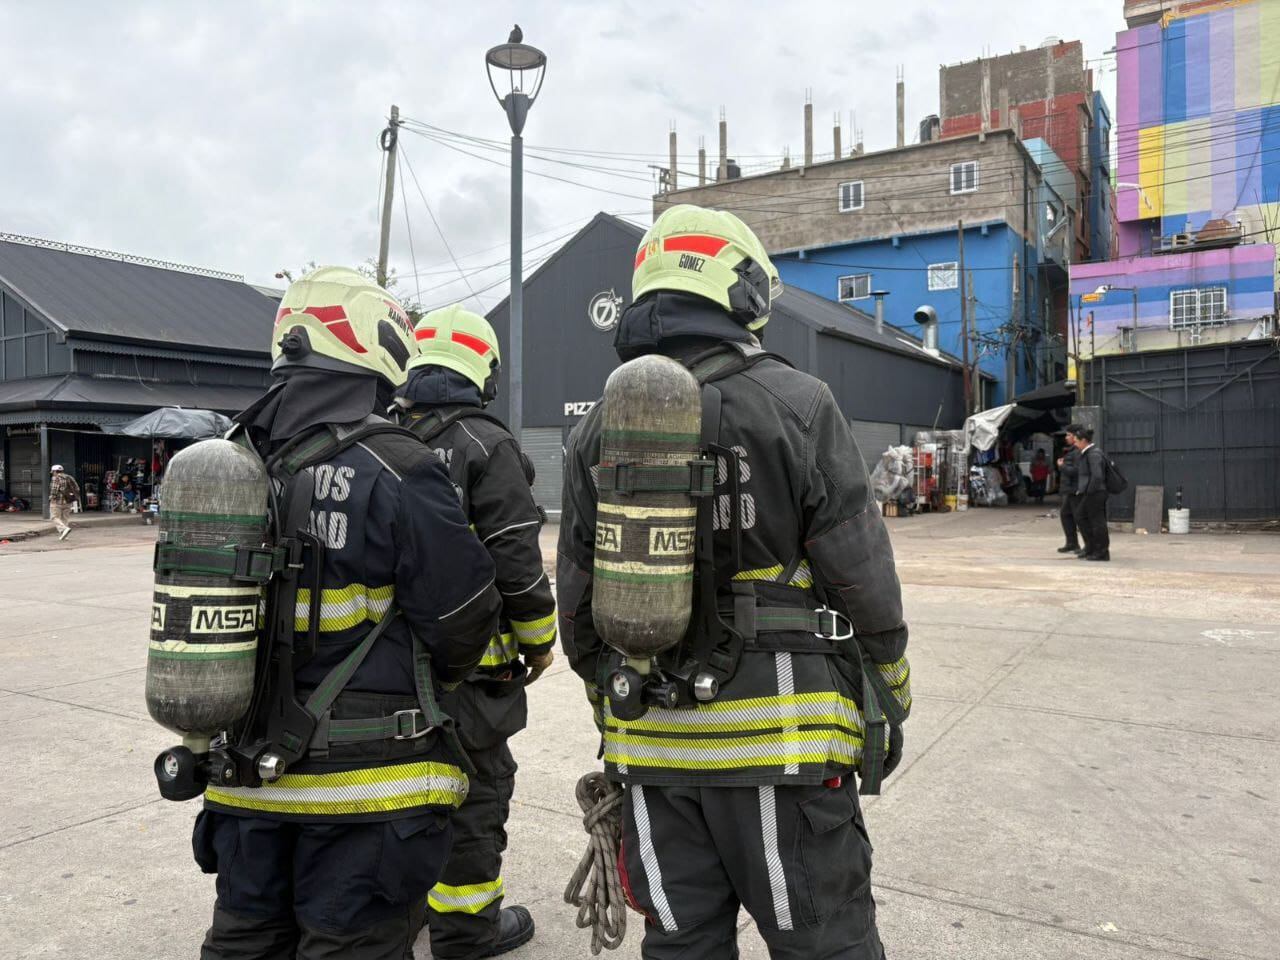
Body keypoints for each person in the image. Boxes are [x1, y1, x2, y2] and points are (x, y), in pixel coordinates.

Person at [558, 205, 910, 959]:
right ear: (743, 293)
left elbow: (580, 612)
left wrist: (615, 706)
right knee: (825, 943)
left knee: (682, 946)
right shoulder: (799, 403)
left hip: (650, 751)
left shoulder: (595, 431)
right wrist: (891, 678)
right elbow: (862, 573)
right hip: (782, 745)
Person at [192, 267, 503, 960]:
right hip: (366, 793)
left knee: (243, 941)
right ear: (376, 341)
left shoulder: (231, 461)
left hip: (246, 781)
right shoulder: (399, 466)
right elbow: (463, 619)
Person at [393, 305, 556, 959]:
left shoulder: (383, 440)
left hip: (386, 676)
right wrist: (540, 641)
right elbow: (516, 561)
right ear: (481, 372)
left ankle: (399, 923)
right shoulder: (487, 446)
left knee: (399, 796)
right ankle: (465, 934)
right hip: (473, 680)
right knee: (474, 797)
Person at [1073, 424, 1111, 562]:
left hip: (1095, 493)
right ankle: (1092, 547)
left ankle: (1102, 552)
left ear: (1083, 441)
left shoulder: (1093, 454)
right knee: (1080, 516)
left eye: (1076, 441)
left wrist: (1088, 491)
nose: (1075, 444)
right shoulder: (1089, 453)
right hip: (1091, 492)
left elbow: (1097, 476)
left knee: (1097, 522)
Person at [1056, 431, 1083, 555]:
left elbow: (1076, 471)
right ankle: (1072, 543)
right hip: (1070, 489)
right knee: (1066, 515)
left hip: (1074, 490)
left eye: (1068, 435)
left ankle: (1085, 545)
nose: (1066, 438)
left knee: (1078, 517)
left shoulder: (1077, 452)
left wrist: (1062, 466)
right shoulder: (1071, 451)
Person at [48, 465, 80, 541]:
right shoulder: (69, 477)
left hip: (57, 502)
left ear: (55, 471)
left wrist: (51, 498)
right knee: (65, 518)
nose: (53, 473)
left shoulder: (56, 478)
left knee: (54, 517)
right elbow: (77, 488)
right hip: (68, 501)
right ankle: (64, 535)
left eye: (53, 472)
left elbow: (54, 491)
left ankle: (64, 529)